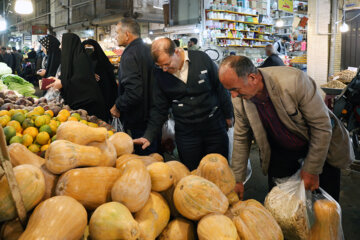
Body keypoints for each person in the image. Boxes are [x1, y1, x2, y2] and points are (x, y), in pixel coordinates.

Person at [218, 56, 353, 201]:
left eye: (234, 89)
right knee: (281, 206)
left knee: (323, 206)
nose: (233, 95)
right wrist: (238, 179)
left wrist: (312, 169)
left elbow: (321, 126)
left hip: (319, 148)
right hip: (281, 151)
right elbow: (241, 138)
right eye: (229, 91)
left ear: (253, 78)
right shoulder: (239, 99)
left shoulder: (294, 81)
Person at [133, 37, 234, 171]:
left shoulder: (201, 59)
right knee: (191, 174)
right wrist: (149, 135)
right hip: (186, 133)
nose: (164, 69)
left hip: (214, 127)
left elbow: (220, 88)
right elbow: (159, 108)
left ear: (176, 52)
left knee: (219, 171)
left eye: (167, 64)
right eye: (160, 66)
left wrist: (228, 115)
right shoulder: (160, 74)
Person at [110, 18, 157, 155]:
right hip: (153, 117)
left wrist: (118, 105)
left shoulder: (129, 54)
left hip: (139, 119)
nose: (115, 36)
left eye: (117, 32)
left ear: (127, 35)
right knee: (154, 159)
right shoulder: (149, 50)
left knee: (142, 162)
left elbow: (134, 92)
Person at [47, 33, 110, 121]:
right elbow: (69, 77)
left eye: (62, 43)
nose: (60, 47)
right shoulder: (72, 59)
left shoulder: (81, 60)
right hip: (78, 111)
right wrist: (58, 80)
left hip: (89, 111)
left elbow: (81, 83)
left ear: (69, 44)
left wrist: (62, 83)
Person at [82, 39, 118, 114]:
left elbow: (109, 81)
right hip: (88, 100)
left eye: (90, 47)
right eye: (85, 48)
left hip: (104, 96)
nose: (88, 50)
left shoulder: (102, 61)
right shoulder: (81, 63)